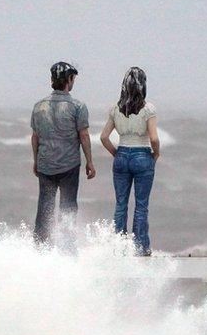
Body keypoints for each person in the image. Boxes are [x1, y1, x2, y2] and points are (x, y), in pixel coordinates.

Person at [30, 61, 96, 245]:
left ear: (52, 80)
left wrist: (36, 161)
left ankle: (40, 247)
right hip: (69, 166)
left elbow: (35, 137)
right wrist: (90, 162)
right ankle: (67, 247)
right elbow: (84, 136)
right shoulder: (78, 106)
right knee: (68, 207)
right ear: (69, 79)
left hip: (45, 165)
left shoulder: (38, 106)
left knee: (45, 207)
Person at [100, 67, 160, 256]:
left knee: (121, 204)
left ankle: (118, 247)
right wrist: (155, 155)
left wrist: (116, 153)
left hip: (121, 155)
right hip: (142, 155)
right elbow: (154, 139)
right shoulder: (148, 108)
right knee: (141, 205)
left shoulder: (115, 108)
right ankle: (140, 248)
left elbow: (103, 137)